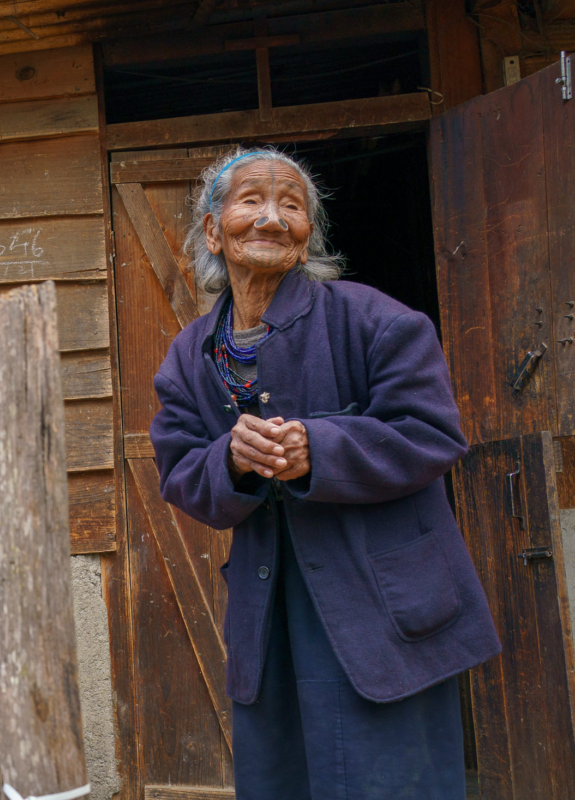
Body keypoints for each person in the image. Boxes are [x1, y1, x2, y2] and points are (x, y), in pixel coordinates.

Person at [149, 148, 501, 799]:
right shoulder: (190, 356)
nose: (273, 218)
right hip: (272, 614)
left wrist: (321, 446)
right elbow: (178, 468)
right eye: (252, 200)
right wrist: (231, 459)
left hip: (384, 608)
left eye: (292, 205)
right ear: (211, 228)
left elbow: (431, 433)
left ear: (310, 231)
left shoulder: (377, 321)